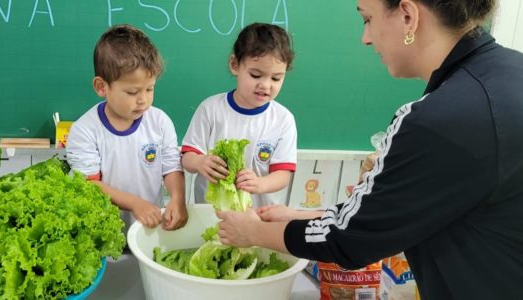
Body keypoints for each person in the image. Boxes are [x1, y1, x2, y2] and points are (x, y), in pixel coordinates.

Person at [216, 0, 523, 299]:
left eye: (367, 19)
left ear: (407, 15)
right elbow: (394, 213)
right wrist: (296, 214)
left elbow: (350, 241)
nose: (365, 38)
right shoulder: (510, 71)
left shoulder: (440, 120)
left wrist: (252, 233)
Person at [66, 24, 187, 231]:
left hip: (148, 229)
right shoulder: (84, 130)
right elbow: (89, 184)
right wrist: (135, 204)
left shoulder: (159, 121)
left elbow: (171, 168)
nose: (143, 100)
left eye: (150, 89)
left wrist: (178, 199)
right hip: (103, 231)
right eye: (132, 92)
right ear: (101, 87)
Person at [181, 23, 297, 208]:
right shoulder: (210, 109)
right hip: (211, 214)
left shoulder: (283, 119)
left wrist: (261, 184)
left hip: (259, 218)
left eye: (276, 78)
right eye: (256, 75)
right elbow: (187, 157)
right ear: (235, 65)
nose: (266, 85)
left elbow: (283, 175)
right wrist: (200, 162)